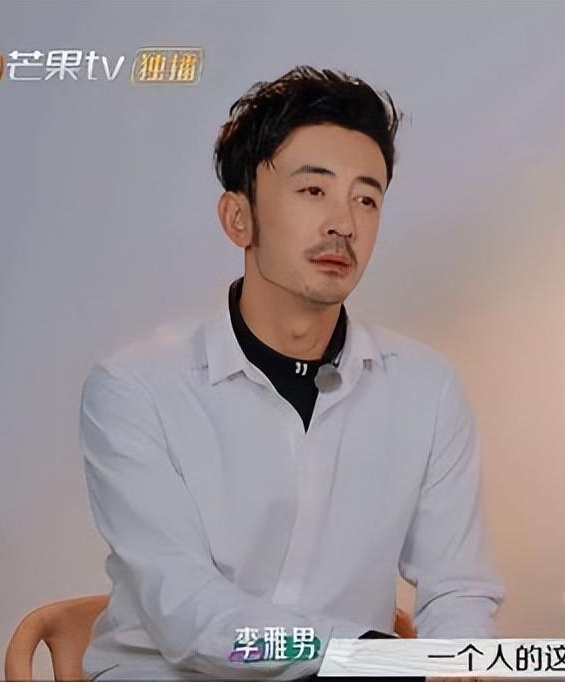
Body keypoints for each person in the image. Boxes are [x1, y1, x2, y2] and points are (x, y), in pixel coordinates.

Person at [79, 66, 505, 681]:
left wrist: (456, 663)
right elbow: (189, 616)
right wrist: (366, 655)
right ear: (238, 217)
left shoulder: (427, 389)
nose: (344, 223)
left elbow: (458, 589)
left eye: (366, 199)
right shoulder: (135, 388)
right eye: (313, 191)